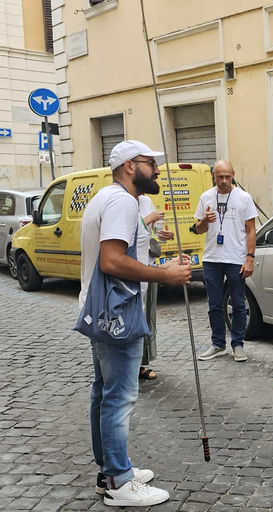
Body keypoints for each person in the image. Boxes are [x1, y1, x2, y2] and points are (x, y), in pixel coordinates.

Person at [80, 140, 191, 507]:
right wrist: (166, 275)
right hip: (117, 313)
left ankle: (108, 471)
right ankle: (118, 481)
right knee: (119, 397)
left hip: (104, 310)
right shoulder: (122, 202)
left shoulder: (106, 197)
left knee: (104, 391)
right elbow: (112, 261)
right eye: (150, 163)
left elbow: (120, 252)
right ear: (130, 166)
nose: (157, 169)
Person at [194, 160, 258, 363]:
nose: (223, 181)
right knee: (214, 304)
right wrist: (205, 220)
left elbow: (251, 230)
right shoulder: (206, 197)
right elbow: (199, 229)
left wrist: (250, 258)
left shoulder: (244, 198)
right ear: (213, 175)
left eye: (227, 176)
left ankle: (238, 344)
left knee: (238, 303)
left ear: (233, 175)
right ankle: (218, 344)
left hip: (236, 258)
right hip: (212, 258)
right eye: (220, 176)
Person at [137, 195, 175, 380]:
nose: (156, 172)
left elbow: (149, 236)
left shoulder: (146, 201)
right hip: (131, 271)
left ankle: (142, 364)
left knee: (146, 317)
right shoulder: (119, 200)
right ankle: (131, 365)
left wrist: (166, 236)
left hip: (149, 266)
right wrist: (149, 219)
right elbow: (129, 233)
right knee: (133, 318)